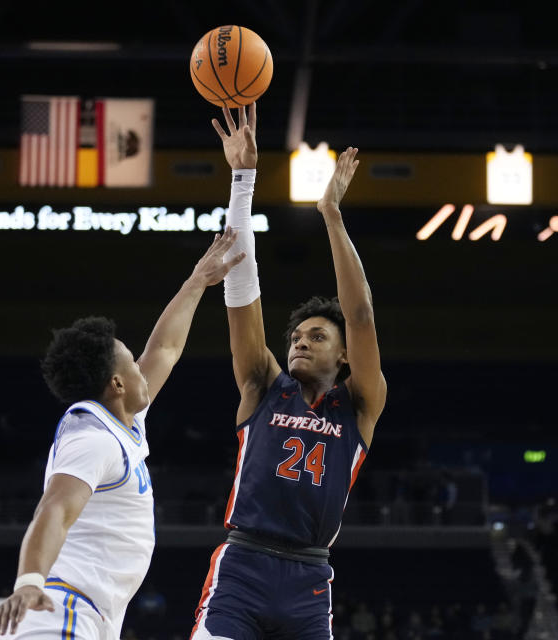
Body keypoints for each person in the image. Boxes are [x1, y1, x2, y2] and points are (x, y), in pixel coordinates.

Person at [191, 103, 387, 639]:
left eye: (317, 337)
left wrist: (331, 213)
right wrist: (243, 180)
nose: (300, 343)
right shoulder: (263, 385)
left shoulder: (360, 405)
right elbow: (240, 287)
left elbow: (362, 315)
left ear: (344, 356)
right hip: (243, 567)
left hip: (309, 577)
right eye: (296, 337)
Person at [0, 229, 247, 639]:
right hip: (59, 610)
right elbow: (55, 508)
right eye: (132, 361)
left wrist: (197, 280)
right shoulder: (91, 437)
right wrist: (29, 581)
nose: (142, 365)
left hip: (87, 613)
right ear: (117, 383)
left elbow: (165, 348)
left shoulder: (123, 421)